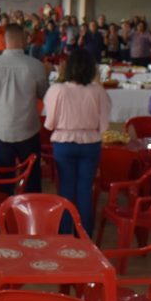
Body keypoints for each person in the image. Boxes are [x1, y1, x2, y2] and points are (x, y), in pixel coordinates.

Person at [43, 48, 110, 235]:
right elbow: (104, 126)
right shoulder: (98, 92)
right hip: (90, 144)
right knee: (84, 191)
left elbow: (49, 124)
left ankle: (64, 234)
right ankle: (84, 236)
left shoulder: (58, 89)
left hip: (64, 143)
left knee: (66, 189)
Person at [0, 23, 50, 193]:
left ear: (5, 41)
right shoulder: (36, 66)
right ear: (22, 40)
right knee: (32, 177)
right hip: (27, 128)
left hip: (1, 129)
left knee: (5, 177)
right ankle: (30, 215)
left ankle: (6, 214)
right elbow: (44, 94)